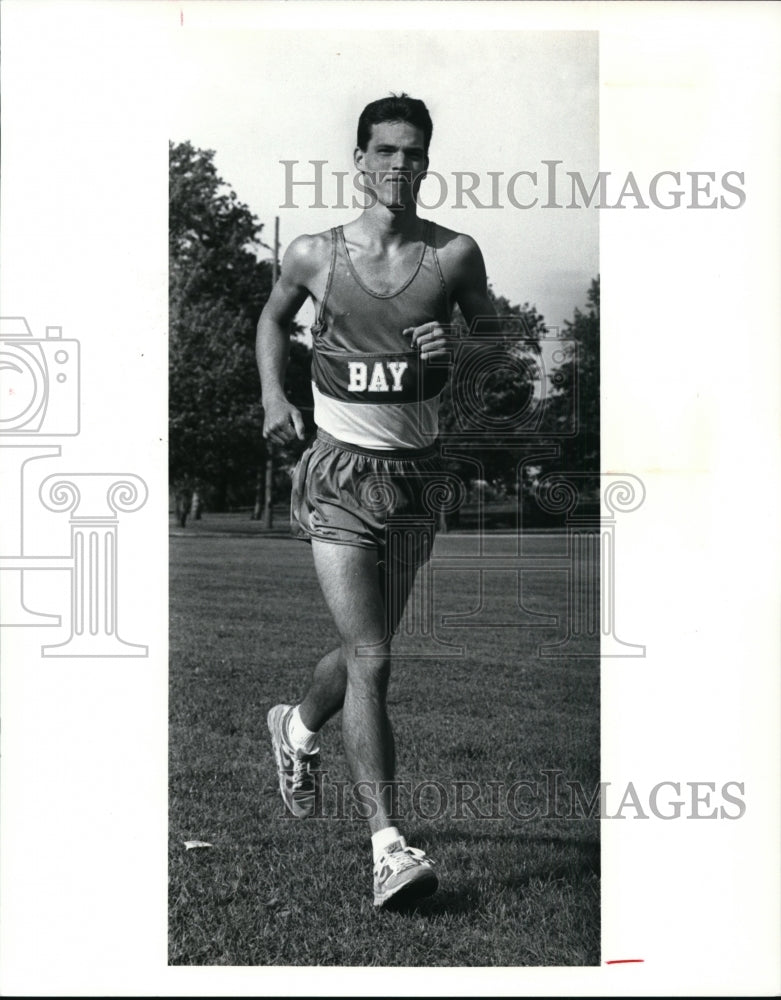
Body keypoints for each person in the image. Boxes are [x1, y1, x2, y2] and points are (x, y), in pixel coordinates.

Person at [256, 93, 497, 909]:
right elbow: (271, 319)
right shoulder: (315, 253)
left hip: (417, 478)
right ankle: (388, 847)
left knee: (367, 647)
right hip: (337, 472)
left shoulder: (454, 256)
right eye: (384, 151)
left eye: (413, 152)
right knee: (374, 659)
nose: (399, 166)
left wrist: (456, 349)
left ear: (428, 162)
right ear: (358, 160)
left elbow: (497, 355)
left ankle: (293, 727)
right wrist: (272, 398)